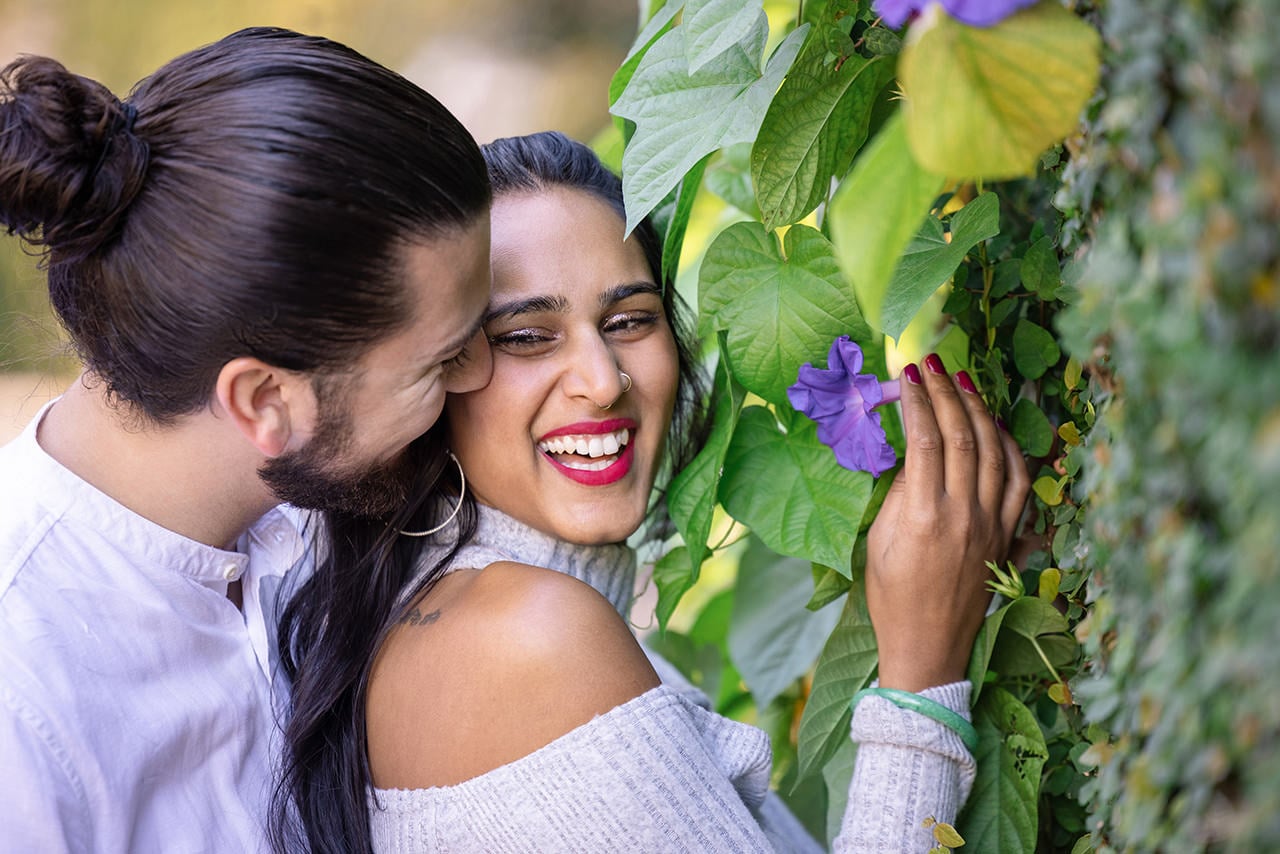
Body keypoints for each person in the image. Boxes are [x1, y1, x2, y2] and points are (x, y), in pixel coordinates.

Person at [274, 132, 1031, 852]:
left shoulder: (467, 617)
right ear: (437, 371)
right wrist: (920, 674)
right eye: (525, 336)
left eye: (630, 320)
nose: (604, 382)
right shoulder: (527, 635)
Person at [0, 28, 494, 852]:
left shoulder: (317, 508)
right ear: (266, 401)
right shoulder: (23, 709)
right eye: (441, 360)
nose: (481, 374)